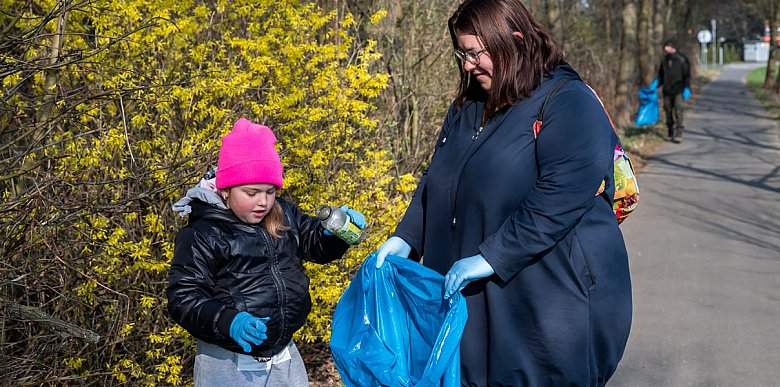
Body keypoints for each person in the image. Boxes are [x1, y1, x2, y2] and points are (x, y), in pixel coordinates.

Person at [373, 0, 632, 385]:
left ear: (515, 40)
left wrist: (492, 257)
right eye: (461, 54)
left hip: (544, 313)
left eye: (475, 53)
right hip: (471, 312)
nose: (467, 66)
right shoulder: (467, 106)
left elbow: (560, 197)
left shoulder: (568, 102)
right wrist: (408, 235)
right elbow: (439, 177)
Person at [167, 118, 365, 386]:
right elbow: (183, 297)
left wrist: (334, 235)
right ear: (225, 190)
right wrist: (227, 320)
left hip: (283, 354)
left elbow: (315, 246)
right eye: (251, 193)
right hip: (228, 361)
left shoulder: (283, 213)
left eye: (270, 191)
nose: (263, 202)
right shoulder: (204, 232)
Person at [657, 39, 691, 143]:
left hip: (678, 90)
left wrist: (687, 87)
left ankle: (679, 131)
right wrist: (656, 85)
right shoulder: (664, 60)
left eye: (668, 47)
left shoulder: (682, 60)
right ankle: (670, 131)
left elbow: (687, 75)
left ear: (673, 48)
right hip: (667, 90)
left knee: (678, 110)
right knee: (668, 110)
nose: (665, 48)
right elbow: (661, 75)